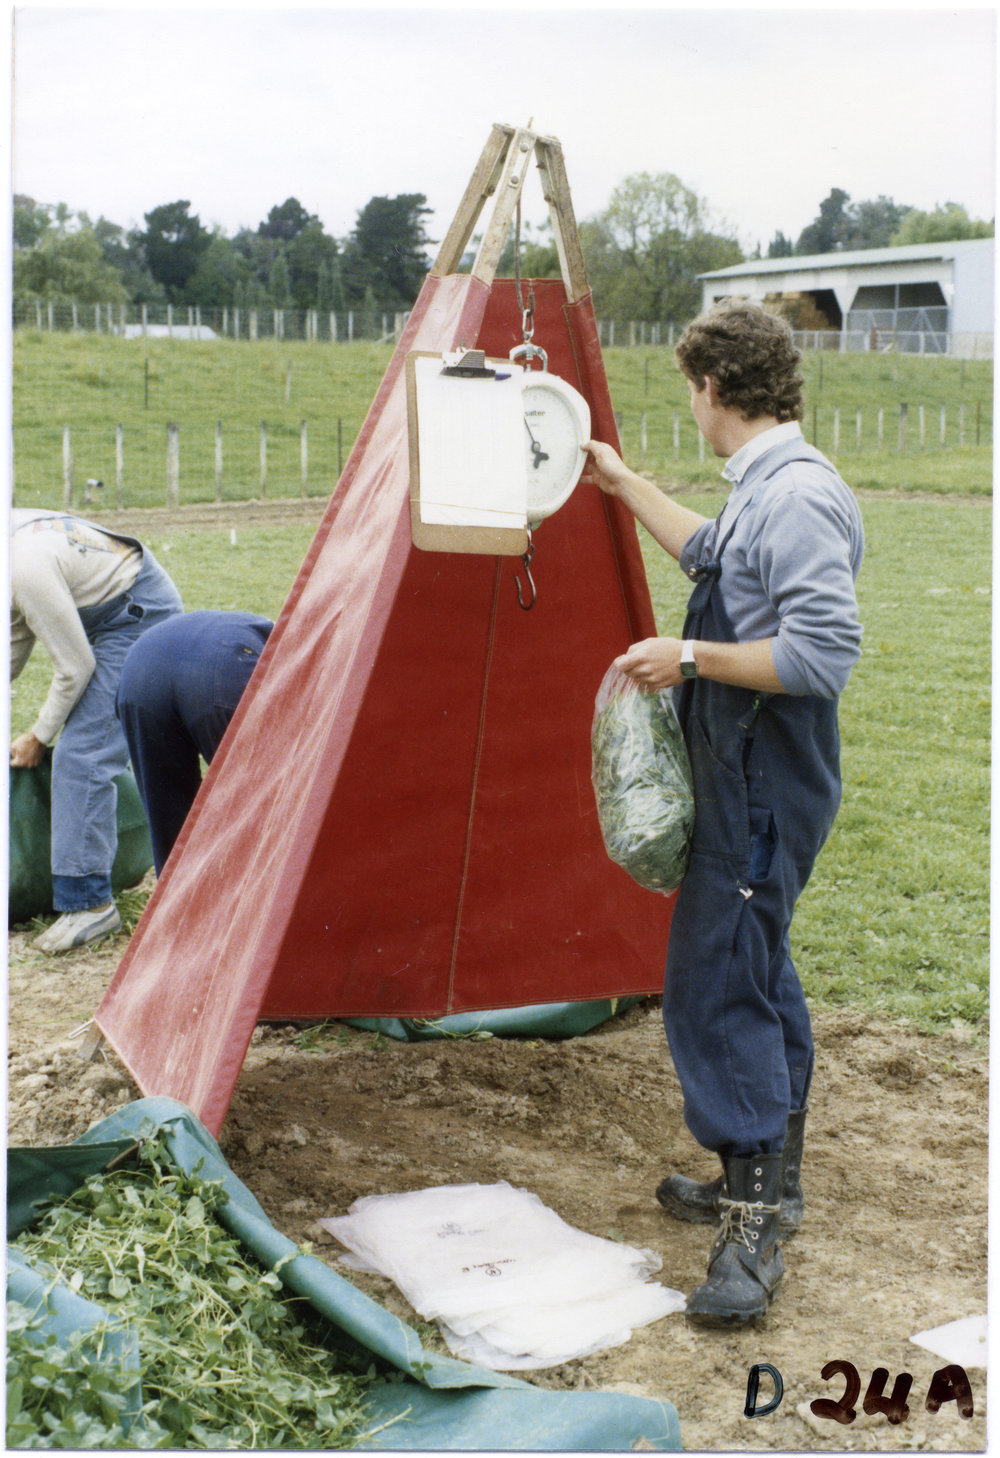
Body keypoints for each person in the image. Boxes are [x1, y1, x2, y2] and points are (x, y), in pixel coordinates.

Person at [583, 300, 864, 1328]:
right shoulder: (763, 491)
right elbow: (713, 557)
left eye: (686, 394)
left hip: (761, 781)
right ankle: (766, 1181)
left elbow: (822, 657)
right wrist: (621, 484)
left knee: (715, 984)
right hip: (743, 776)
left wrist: (688, 657)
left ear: (710, 390)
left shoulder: (795, 500)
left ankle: (750, 1236)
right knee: (753, 961)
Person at [10, 509, 183, 952]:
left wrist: (38, 735)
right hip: (106, 609)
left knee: (81, 754)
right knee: (94, 744)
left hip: (137, 617)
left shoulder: (22, 565)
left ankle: (89, 905)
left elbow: (75, 666)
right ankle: (118, 858)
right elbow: (13, 641)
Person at [115, 610, 274, 874]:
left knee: (169, 822)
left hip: (140, 668)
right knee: (257, 802)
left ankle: (176, 909)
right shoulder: (287, 642)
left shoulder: (249, 624)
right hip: (223, 666)